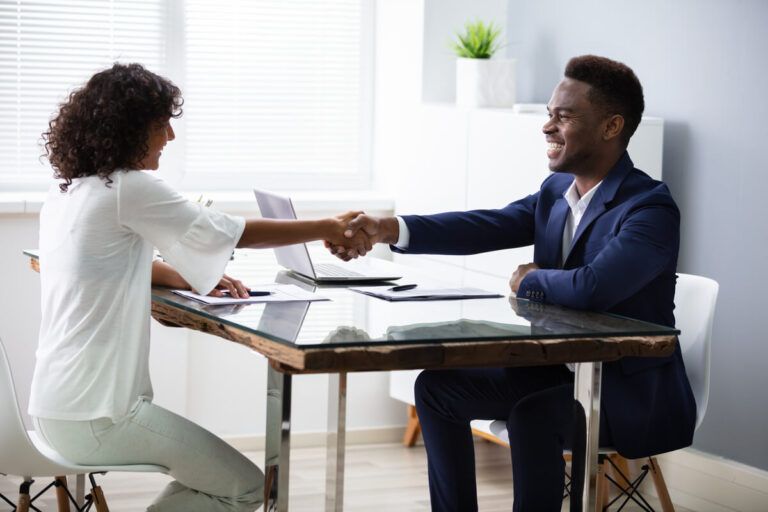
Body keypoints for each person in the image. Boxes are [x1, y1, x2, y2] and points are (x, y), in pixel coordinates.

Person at [330, 55, 697, 511]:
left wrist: (530, 280)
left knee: (533, 417)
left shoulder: (649, 210)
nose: (547, 127)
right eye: (549, 114)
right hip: (552, 371)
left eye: (564, 116)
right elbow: (484, 225)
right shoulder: (556, 194)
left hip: (627, 394)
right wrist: (391, 229)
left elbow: (593, 288)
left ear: (611, 126)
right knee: (436, 389)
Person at [30, 63, 368, 512]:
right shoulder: (127, 188)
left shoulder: (70, 192)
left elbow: (97, 262)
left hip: (54, 407)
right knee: (247, 486)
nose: (169, 137)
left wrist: (174, 273)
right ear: (132, 128)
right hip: (99, 416)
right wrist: (328, 224)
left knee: (223, 483)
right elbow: (233, 232)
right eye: (161, 124)